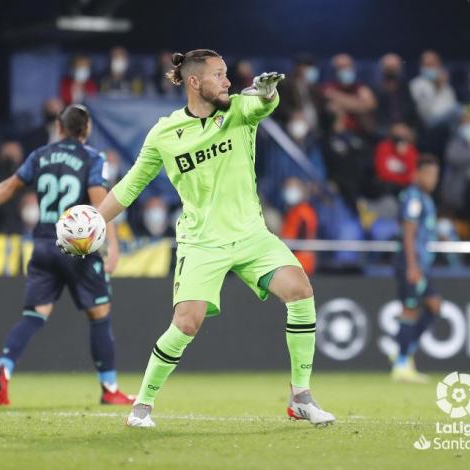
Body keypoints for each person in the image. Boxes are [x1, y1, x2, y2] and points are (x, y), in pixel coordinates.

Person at [83, 49, 335, 427]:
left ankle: (301, 396)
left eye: (228, 74)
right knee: (186, 323)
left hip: (251, 234)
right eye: (219, 75)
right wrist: (94, 223)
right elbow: (131, 185)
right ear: (195, 81)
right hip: (202, 242)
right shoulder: (165, 133)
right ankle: (142, 407)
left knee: (300, 290)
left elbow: (262, 105)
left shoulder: (238, 110)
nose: (228, 82)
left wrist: (267, 94)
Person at [0, 105, 133, 406]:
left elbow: (10, 187)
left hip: (44, 243)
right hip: (77, 246)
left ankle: (4, 371)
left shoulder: (40, 156)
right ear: (86, 129)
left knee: (35, 314)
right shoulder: (93, 158)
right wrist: (112, 245)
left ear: (60, 128)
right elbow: (102, 202)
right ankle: (110, 389)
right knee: (99, 315)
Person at [392, 154, 440, 383]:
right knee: (409, 309)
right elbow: (408, 232)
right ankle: (401, 363)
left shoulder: (425, 199)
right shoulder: (412, 197)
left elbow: (423, 230)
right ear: (417, 174)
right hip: (411, 262)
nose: (432, 179)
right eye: (429, 174)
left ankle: (405, 351)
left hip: (423, 263)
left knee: (433, 305)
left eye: (435, 175)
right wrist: (412, 265)